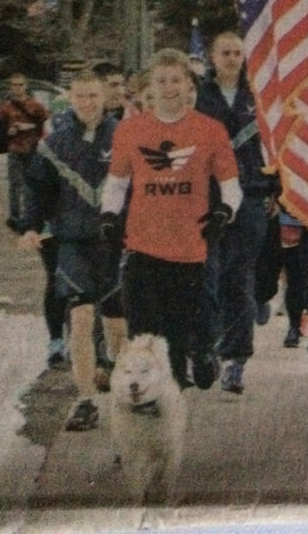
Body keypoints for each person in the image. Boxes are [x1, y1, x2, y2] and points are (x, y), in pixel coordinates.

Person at [100, 47, 241, 389]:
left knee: (178, 336)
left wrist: (224, 211)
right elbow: (116, 184)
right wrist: (108, 215)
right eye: (161, 81)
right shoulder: (131, 131)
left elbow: (231, 186)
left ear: (187, 83)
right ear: (151, 85)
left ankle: (180, 383)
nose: (168, 88)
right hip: (142, 246)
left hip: (189, 249)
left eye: (176, 80)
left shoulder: (209, 130)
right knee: (144, 336)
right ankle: (149, 402)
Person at [18, 70, 126, 430]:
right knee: (80, 321)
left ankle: (127, 397)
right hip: (73, 244)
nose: (87, 103)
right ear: (70, 98)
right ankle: (86, 401)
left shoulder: (126, 136)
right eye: (80, 96)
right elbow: (35, 188)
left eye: (93, 95)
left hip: (116, 243)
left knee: (116, 326)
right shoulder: (55, 144)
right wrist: (31, 226)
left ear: (105, 97)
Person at [195, 30, 275, 394]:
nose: (231, 59)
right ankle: (209, 345)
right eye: (224, 52)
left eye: (237, 53)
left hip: (250, 195)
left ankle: (236, 359)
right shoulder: (199, 97)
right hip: (207, 198)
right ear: (212, 57)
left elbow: (274, 148)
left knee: (238, 277)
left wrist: (276, 188)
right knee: (206, 276)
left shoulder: (257, 97)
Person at [0, 73, 50, 232]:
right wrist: (9, 131)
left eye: (20, 85)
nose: (18, 88)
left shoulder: (35, 105)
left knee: (31, 184)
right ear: (11, 87)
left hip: (32, 148)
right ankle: (14, 217)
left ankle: (30, 216)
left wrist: (31, 127)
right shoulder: (6, 107)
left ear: (25, 86)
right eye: (15, 85)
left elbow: (46, 124)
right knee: (15, 184)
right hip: (15, 149)